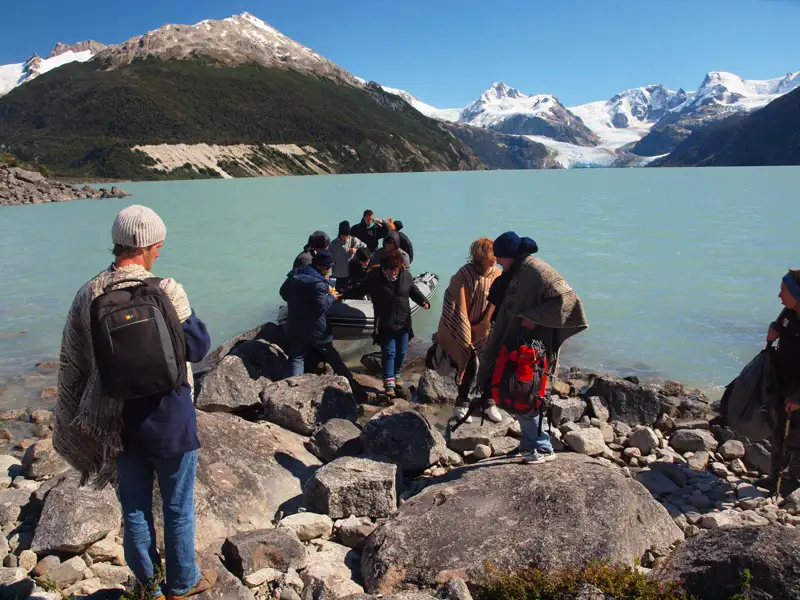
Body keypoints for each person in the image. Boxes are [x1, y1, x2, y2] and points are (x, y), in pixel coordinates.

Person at [53, 205, 216, 600]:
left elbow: (77, 361)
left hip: (119, 421)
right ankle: (183, 583)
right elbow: (198, 347)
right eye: (158, 245)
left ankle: (149, 585)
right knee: (177, 508)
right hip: (171, 417)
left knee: (135, 509)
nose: (159, 252)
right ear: (148, 246)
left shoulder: (88, 293)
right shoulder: (168, 289)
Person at [477, 231, 588, 464]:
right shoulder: (518, 269)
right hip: (514, 344)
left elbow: (568, 299)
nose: (497, 262)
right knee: (513, 390)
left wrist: (534, 317)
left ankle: (542, 447)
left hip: (532, 349)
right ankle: (529, 443)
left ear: (511, 255)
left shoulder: (537, 269)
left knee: (526, 393)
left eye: (500, 257)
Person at [344, 250, 430, 398]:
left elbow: (414, 291)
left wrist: (423, 302)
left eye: (394, 270)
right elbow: (360, 290)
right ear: (383, 268)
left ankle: (396, 375)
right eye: (388, 270)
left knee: (402, 352)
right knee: (389, 353)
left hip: (403, 322)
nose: (391, 273)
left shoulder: (406, 276)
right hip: (384, 322)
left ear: (399, 268)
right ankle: (388, 382)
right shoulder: (374, 278)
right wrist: (342, 294)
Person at [433, 238, 501, 424]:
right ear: (480, 256)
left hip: (487, 327)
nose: (495, 259)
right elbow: (455, 303)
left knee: (491, 365)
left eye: (495, 255)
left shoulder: (496, 274)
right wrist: (466, 328)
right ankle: (461, 403)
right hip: (464, 325)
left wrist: (485, 323)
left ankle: (488, 402)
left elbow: (498, 300)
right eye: (491, 255)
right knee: (469, 364)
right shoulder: (463, 275)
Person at [757, 270, 800, 493]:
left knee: (795, 439)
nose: (779, 295)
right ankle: (774, 477)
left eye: (784, 291)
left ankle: (792, 484)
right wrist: (772, 333)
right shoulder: (788, 314)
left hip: (797, 393)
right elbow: (776, 327)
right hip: (782, 384)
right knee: (777, 434)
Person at [280, 250, 353, 380]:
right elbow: (321, 306)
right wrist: (331, 297)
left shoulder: (296, 274)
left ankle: (294, 388)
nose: (329, 270)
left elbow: (283, 293)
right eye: (328, 267)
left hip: (294, 324)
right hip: (315, 328)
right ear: (319, 266)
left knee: (297, 359)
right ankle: (350, 382)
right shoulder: (318, 284)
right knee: (332, 356)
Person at [329, 221, 366, 291]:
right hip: (340, 275)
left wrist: (356, 250)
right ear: (339, 234)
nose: (345, 237)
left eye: (347, 235)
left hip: (352, 274)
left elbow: (365, 248)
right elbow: (328, 258)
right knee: (340, 293)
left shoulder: (353, 240)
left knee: (353, 293)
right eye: (343, 235)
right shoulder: (333, 244)